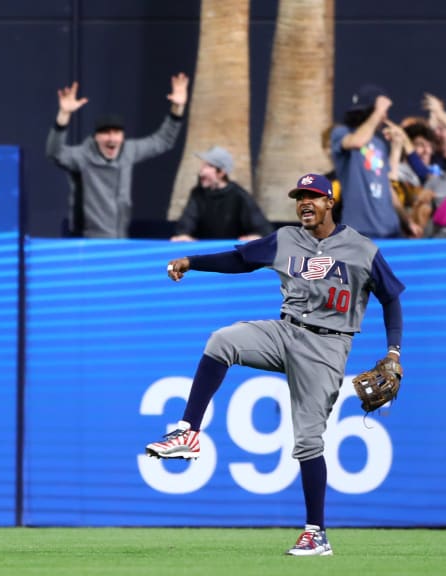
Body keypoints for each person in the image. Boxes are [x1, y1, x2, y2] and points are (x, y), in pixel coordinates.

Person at [145, 173, 405, 557]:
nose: (305, 202)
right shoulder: (286, 239)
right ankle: (187, 432)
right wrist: (191, 261)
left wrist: (393, 352)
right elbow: (239, 259)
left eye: (313, 197)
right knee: (222, 340)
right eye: (300, 196)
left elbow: (391, 298)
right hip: (285, 331)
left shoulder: (361, 248)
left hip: (328, 346)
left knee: (307, 441)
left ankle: (317, 534)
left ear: (329, 202)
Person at [46, 74, 188, 238]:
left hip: (119, 238)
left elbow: (163, 141)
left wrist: (177, 108)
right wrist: (63, 115)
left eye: (117, 133)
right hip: (86, 240)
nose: (112, 138)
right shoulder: (83, 156)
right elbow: (54, 153)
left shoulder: (129, 150)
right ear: (96, 137)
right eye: (106, 133)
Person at [330, 85, 408, 238]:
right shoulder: (342, 133)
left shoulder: (379, 144)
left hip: (389, 229)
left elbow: (388, 183)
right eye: (383, 111)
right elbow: (357, 142)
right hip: (360, 230)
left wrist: (397, 147)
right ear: (370, 111)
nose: (385, 116)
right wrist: (378, 111)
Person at [171, 146, 272, 241]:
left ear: (221, 172)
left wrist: (257, 236)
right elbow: (187, 222)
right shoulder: (197, 193)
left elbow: (263, 229)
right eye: (203, 166)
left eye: (208, 166)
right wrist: (183, 235)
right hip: (202, 254)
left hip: (231, 254)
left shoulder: (239, 196)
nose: (202, 171)